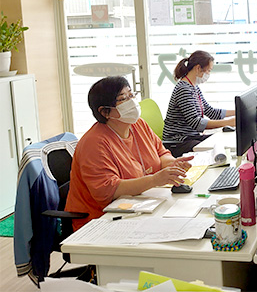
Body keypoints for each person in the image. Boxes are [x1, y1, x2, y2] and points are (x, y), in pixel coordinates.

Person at [66, 76, 191, 230]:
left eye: (131, 95)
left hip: (139, 205)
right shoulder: (94, 143)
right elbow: (108, 191)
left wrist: (171, 164)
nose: (131, 102)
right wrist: (154, 180)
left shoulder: (138, 125)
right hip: (101, 220)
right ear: (105, 112)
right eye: (123, 99)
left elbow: (161, 153)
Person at [163, 50, 235, 157]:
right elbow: (196, 123)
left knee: (219, 143)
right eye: (208, 71)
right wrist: (228, 122)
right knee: (213, 151)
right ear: (198, 68)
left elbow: (210, 111)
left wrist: (237, 112)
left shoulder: (194, 87)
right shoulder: (183, 89)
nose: (208, 74)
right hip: (177, 143)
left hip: (189, 138)